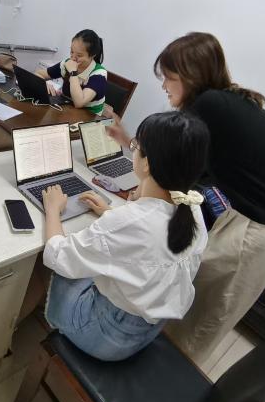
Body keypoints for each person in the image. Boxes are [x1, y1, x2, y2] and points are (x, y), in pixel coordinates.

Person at [106, 32, 265, 364]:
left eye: (168, 77)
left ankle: (167, 379)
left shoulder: (209, 106)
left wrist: (139, 194)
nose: (163, 86)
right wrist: (130, 145)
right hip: (260, 218)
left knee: (204, 315)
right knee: (192, 290)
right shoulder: (223, 103)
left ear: (190, 77)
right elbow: (184, 168)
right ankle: (157, 360)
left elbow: (173, 167)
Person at [39, 111, 209, 361]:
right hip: (146, 330)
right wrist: (109, 214)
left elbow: (57, 256)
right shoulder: (193, 210)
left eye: (135, 146)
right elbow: (146, 243)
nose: (132, 150)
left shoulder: (129, 222)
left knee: (64, 267)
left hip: (105, 336)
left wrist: (53, 209)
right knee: (95, 260)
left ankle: (51, 318)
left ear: (147, 163)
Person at [35, 29, 107, 114]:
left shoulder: (99, 74)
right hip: (67, 110)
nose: (73, 58)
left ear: (92, 55)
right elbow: (38, 73)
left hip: (89, 117)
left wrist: (73, 72)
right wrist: (44, 84)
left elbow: (79, 102)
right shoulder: (66, 64)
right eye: (72, 52)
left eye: (79, 55)